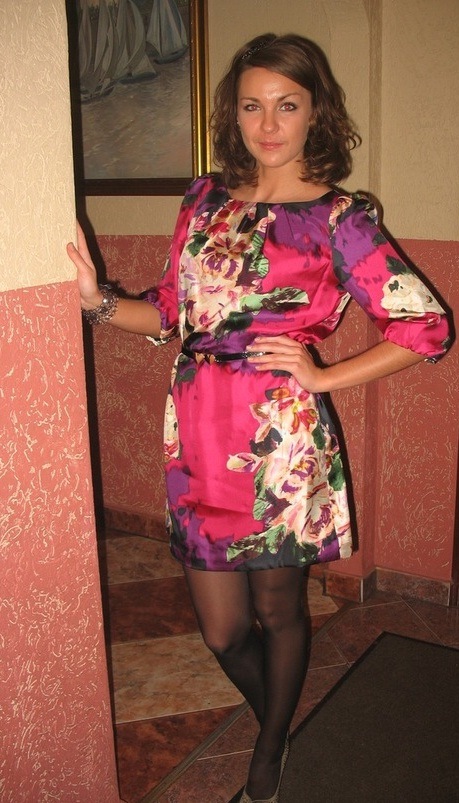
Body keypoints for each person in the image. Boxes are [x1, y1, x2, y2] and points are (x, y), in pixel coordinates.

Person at [67, 33, 451, 803]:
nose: (267, 124)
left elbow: (427, 328)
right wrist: (97, 301)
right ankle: (279, 711)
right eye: (251, 105)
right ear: (232, 113)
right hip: (196, 438)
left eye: (286, 105)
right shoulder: (203, 200)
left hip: (280, 445)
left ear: (316, 113)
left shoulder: (339, 218)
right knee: (219, 630)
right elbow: (169, 312)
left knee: (278, 610)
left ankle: (270, 743)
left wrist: (323, 374)